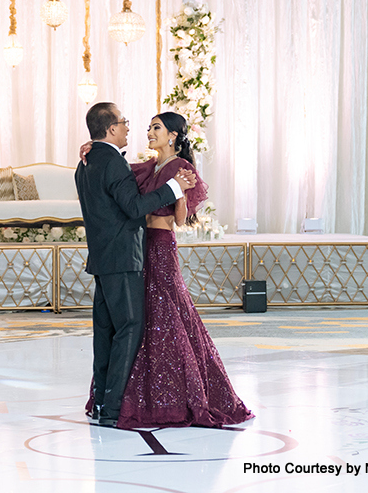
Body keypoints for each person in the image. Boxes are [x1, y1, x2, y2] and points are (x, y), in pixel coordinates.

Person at [84, 112, 254, 429]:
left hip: (160, 245)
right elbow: (114, 172)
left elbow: (180, 219)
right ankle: (134, 397)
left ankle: (171, 397)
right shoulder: (149, 166)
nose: (148, 132)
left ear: (173, 135)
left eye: (156, 128)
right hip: (136, 247)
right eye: (148, 127)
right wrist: (91, 146)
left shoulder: (180, 168)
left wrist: (178, 192)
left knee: (167, 316)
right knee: (140, 322)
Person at [75, 102, 196, 428]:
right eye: (125, 122)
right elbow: (133, 207)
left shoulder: (85, 162)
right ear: (111, 129)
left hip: (105, 259)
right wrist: (173, 188)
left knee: (106, 332)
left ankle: (103, 403)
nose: (133, 128)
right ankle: (113, 409)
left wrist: (179, 193)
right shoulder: (112, 162)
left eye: (154, 126)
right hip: (124, 258)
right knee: (129, 329)